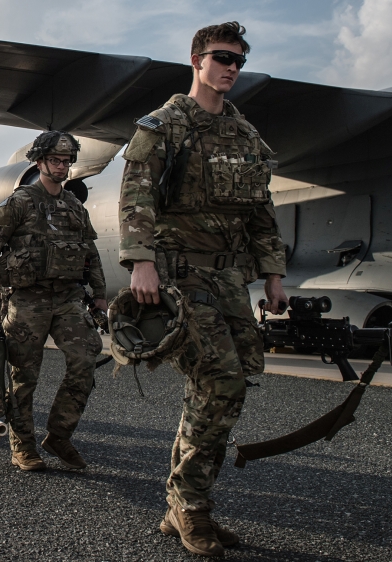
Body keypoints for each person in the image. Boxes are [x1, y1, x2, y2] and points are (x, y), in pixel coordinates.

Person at [118, 22, 289, 556]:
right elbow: (136, 196)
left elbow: (262, 211)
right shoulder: (164, 126)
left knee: (226, 387)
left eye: (239, 59)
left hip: (230, 281)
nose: (231, 67)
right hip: (181, 277)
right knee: (222, 384)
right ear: (196, 60)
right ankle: (189, 507)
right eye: (221, 57)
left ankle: (187, 507)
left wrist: (274, 272)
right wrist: (140, 263)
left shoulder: (246, 137)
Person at [0, 131, 107, 472]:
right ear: (39, 161)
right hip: (27, 300)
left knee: (86, 357)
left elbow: (90, 253)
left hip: (67, 299)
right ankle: (23, 446)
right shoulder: (19, 203)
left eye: (67, 161)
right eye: (56, 161)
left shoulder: (75, 206)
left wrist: (100, 295)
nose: (62, 167)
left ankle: (59, 435)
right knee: (24, 375)